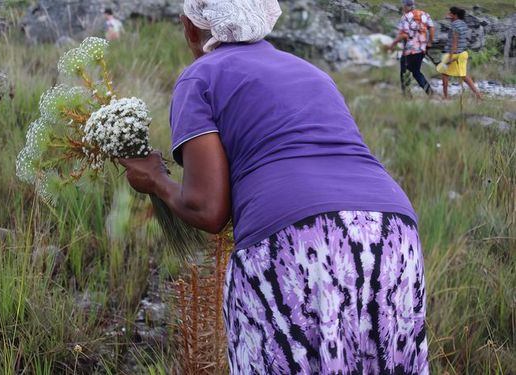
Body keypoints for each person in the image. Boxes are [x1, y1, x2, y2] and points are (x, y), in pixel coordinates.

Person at [120, 0, 428, 373]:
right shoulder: (311, 71)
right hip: (393, 235)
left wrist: (155, 179)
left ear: (189, 26)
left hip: (296, 241)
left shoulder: (200, 76)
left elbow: (208, 208)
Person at [388, 0, 435, 96]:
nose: (403, 7)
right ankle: (430, 92)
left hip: (409, 51)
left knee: (404, 72)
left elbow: (404, 35)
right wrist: (429, 42)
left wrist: (392, 45)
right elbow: (431, 28)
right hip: (421, 49)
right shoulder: (424, 14)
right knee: (416, 72)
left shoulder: (405, 17)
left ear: (406, 6)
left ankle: (407, 95)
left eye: (403, 5)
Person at [437, 7, 482, 100]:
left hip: (454, 53)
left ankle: (445, 97)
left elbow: (454, 42)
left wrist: (450, 57)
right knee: (463, 75)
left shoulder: (454, 26)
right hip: (463, 53)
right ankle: (479, 95)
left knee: (444, 73)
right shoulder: (463, 24)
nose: (448, 15)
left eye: (450, 13)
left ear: (455, 15)